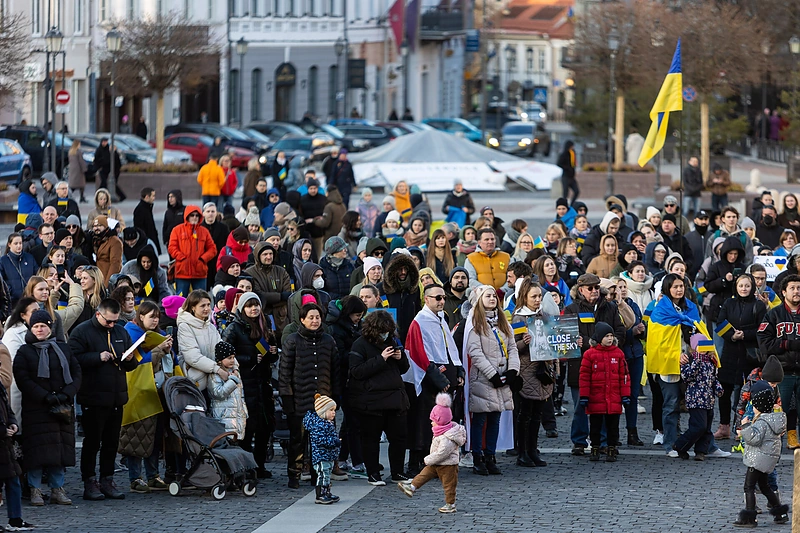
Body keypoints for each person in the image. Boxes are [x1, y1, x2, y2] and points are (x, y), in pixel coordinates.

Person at [68, 298, 136, 501]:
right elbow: (73, 359)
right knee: (92, 443)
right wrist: (97, 357)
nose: (112, 325)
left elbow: (130, 366)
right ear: (99, 315)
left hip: (116, 396)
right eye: (109, 321)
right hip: (93, 397)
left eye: (115, 321)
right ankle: (89, 480)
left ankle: (107, 479)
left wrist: (130, 359)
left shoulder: (121, 332)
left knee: (111, 442)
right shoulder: (81, 331)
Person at [14, 309, 81, 508]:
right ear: (30, 328)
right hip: (37, 409)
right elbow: (22, 378)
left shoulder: (63, 348)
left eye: (43, 325)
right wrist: (44, 396)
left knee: (59, 452)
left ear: (50, 327)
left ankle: (57, 488)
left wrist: (66, 394)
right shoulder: (24, 351)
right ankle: (35, 490)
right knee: (36, 453)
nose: (40, 329)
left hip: (61, 409)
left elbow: (77, 373)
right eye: (36, 326)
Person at [405, 284, 464, 478]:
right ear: (426, 299)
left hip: (444, 374)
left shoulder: (441, 319)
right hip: (428, 379)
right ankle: (416, 462)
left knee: (443, 422)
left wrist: (458, 370)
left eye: (443, 298)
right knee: (423, 422)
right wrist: (437, 377)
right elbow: (418, 353)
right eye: (437, 298)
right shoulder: (419, 322)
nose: (441, 301)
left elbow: (450, 348)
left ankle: (437, 462)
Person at [563, 273, 625, 455]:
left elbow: (620, 330)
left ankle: (603, 441)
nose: (594, 291)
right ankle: (579, 441)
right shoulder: (571, 309)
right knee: (579, 406)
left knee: (603, 405)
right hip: (580, 364)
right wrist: (589, 342)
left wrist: (611, 343)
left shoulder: (610, 307)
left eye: (597, 287)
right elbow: (569, 336)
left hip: (606, 365)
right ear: (581, 290)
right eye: (590, 288)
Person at [348, 309, 409, 486]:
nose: (385, 335)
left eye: (388, 331)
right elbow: (356, 372)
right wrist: (380, 359)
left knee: (399, 437)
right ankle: (373, 473)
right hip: (371, 400)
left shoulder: (393, 341)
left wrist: (400, 357)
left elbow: (403, 369)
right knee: (371, 438)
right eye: (382, 331)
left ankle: (398, 472)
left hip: (395, 398)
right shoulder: (360, 344)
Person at [279, 303, 338, 489]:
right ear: (302, 320)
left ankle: (318, 476)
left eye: (317, 317)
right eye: (310, 317)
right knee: (298, 441)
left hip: (323, 403)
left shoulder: (328, 341)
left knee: (321, 443)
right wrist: (287, 399)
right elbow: (284, 373)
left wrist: (336, 398)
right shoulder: (293, 341)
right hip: (299, 401)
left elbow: (335, 371)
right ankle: (293, 475)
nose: (314, 321)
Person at [221, 292, 278, 479]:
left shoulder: (265, 325)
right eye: (249, 306)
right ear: (242, 308)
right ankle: (246, 467)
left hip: (262, 383)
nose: (254, 309)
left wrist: (272, 352)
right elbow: (224, 356)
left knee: (264, 428)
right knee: (247, 429)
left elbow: (271, 355)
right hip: (244, 383)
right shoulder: (234, 328)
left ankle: (259, 465)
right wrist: (249, 359)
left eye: (256, 305)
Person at [464, 284, 519, 475]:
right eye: (488, 296)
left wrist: (513, 370)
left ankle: (491, 455)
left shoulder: (503, 322)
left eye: (494, 295)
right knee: (480, 419)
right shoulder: (475, 323)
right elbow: (475, 352)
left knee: (495, 418)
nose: (492, 298)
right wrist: (492, 374)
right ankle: (478, 457)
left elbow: (512, 347)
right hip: (484, 378)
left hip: (503, 376)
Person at [121, 301, 172, 493]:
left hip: (155, 390)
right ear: (141, 317)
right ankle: (135, 478)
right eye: (151, 316)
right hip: (138, 391)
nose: (155, 320)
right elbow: (137, 360)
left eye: (157, 316)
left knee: (154, 435)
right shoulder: (131, 332)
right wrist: (159, 349)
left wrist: (165, 349)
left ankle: (153, 475)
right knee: (136, 435)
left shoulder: (156, 335)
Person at [511, 279, 558, 467]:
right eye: (534, 296)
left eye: (540, 296)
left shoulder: (545, 316)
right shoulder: (519, 318)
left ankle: (533, 450)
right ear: (525, 297)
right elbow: (513, 345)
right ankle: (522, 452)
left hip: (542, 369)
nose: (538, 300)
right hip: (527, 369)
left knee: (537, 412)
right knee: (525, 413)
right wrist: (525, 342)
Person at [397, 392, 465, 514]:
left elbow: (442, 453)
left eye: (433, 420)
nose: (431, 422)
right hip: (436, 463)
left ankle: (450, 504)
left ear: (440, 420)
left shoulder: (447, 436)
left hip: (447, 465)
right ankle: (412, 487)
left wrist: (428, 459)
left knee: (449, 485)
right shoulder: (440, 432)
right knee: (424, 474)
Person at [732, 383, 789, 527]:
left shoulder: (761, 422)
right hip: (768, 460)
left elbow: (754, 438)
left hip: (757, 460)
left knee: (749, 487)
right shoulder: (774, 420)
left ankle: (750, 518)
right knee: (765, 486)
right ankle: (780, 513)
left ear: (758, 405)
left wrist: (745, 426)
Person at [579, 321, 630, 463]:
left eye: (611, 336)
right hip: (596, 398)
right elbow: (584, 377)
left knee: (613, 426)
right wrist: (584, 395)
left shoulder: (618, 353)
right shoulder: (590, 354)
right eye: (606, 336)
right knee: (595, 426)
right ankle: (595, 447)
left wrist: (625, 395)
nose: (609, 338)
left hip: (613, 398)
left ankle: (611, 448)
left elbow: (624, 376)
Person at [177, 290, 223, 392]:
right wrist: (217, 369)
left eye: (208, 305)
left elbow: (222, 349)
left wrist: (234, 367)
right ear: (193, 307)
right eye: (202, 306)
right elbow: (192, 356)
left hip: (214, 380)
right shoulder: (185, 326)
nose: (207, 308)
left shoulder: (210, 327)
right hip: (197, 381)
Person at [168, 205, 217, 296]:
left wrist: (203, 259)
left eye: (197, 215)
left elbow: (212, 249)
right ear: (187, 216)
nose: (194, 217)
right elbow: (172, 247)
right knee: (181, 300)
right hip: (182, 272)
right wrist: (182, 258)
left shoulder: (204, 231)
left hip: (200, 273)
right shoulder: (177, 230)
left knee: (200, 300)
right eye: (192, 215)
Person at [303, 394, 341, 504]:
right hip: (321, 456)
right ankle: (320, 494)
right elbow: (321, 440)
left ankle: (327, 492)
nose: (334, 412)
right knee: (322, 475)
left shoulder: (327, 423)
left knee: (327, 475)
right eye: (331, 410)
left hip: (328, 455)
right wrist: (335, 442)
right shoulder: (318, 425)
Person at [208, 341, 247, 441]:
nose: (233, 360)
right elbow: (218, 393)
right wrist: (232, 381)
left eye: (233, 357)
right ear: (220, 360)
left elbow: (241, 395)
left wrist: (244, 411)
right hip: (223, 417)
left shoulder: (234, 373)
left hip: (237, 416)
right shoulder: (215, 375)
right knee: (226, 443)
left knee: (236, 443)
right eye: (229, 358)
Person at [0, 233, 37, 308]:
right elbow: (2, 281)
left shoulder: (29, 257)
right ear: (9, 244)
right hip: (13, 301)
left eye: (20, 243)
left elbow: (36, 274)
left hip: (29, 298)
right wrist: (11, 292)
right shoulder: (3, 261)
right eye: (16, 243)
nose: (19, 246)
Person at [133, 188, 161, 255]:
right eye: (153, 196)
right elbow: (139, 228)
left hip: (150, 240)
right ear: (147, 197)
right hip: (146, 243)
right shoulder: (140, 210)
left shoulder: (147, 207)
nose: (154, 198)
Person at [162, 190, 186, 254]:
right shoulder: (168, 212)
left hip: (182, 240)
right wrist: (165, 240)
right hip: (170, 241)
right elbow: (165, 226)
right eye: (169, 197)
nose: (170, 199)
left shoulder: (184, 210)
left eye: (172, 197)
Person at [557, 140, 578, 205]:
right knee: (565, 193)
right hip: (565, 176)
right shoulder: (564, 154)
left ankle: (572, 204)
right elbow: (559, 163)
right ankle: (564, 205)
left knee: (576, 191)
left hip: (571, 176)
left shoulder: (573, 153)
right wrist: (567, 168)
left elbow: (574, 163)